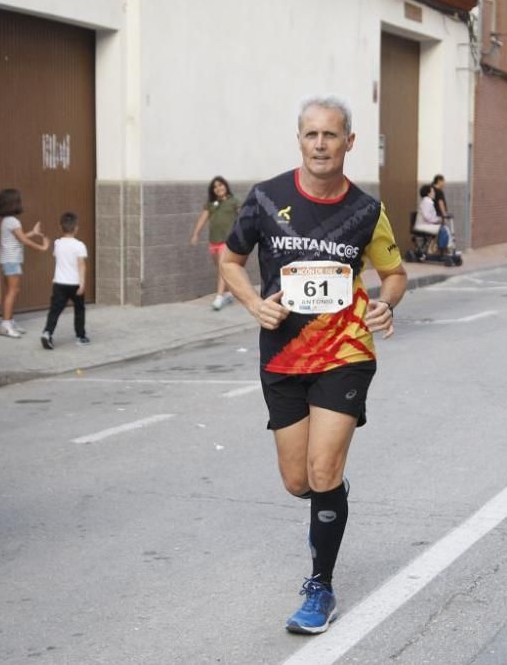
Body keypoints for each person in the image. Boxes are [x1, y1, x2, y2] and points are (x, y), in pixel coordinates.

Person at [219, 95, 407, 634]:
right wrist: (255, 304)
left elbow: (394, 274)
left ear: (350, 142)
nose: (320, 145)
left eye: (330, 135)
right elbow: (230, 260)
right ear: (299, 140)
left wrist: (386, 302)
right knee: (298, 481)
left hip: (345, 352)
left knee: (324, 470)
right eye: (310, 135)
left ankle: (319, 586)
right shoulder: (265, 198)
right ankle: (330, 499)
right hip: (282, 352)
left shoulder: (367, 210)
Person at [0, 188, 49, 338]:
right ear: (14, 203)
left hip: (9, 260)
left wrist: (33, 232)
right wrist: (42, 248)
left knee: (12, 291)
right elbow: (23, 240)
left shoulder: (7, 221)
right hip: (12, 261)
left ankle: (9, 321)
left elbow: (19, 237)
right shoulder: (12, 221)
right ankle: (5, 325)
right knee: (12, 292)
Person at [190, 176, 241, 310]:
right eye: (215, 186)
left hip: (227, 242)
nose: (219, 188)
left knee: (222, 268)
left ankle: (219, 297)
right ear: (213, 190)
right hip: (214, 242)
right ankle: (230, 293)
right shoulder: (211, 204)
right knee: (221, 269)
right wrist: (196, 234)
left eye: (221, 185)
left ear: (226, 186)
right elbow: (203, 218)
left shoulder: (234, 201)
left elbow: (242, 217)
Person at [41, 212, 89, 349]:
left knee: (55, 310)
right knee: (79, 310)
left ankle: (47, 332)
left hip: (59, 283)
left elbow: (59, 260)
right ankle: (81, 337)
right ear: (76, 228)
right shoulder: (79, 245)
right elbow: (81, 264)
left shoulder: (57, 243)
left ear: (61, 227)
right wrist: (83, 283)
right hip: (74, 283)